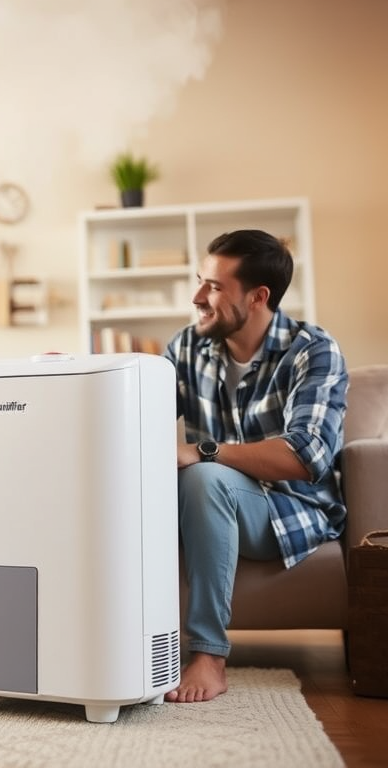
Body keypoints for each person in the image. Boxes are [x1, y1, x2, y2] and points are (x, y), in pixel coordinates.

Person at [163, 229, 348, 703]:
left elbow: (306, 455)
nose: (197, 297)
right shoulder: (186, 348)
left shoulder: (312, 350)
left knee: (203, 475)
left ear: (259, 296)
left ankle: (208, 655)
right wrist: (82, 380)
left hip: (288, 509)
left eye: (215, 287)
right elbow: (133, 417)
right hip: (207, 501)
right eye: (200, 281)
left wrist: (205, 451)